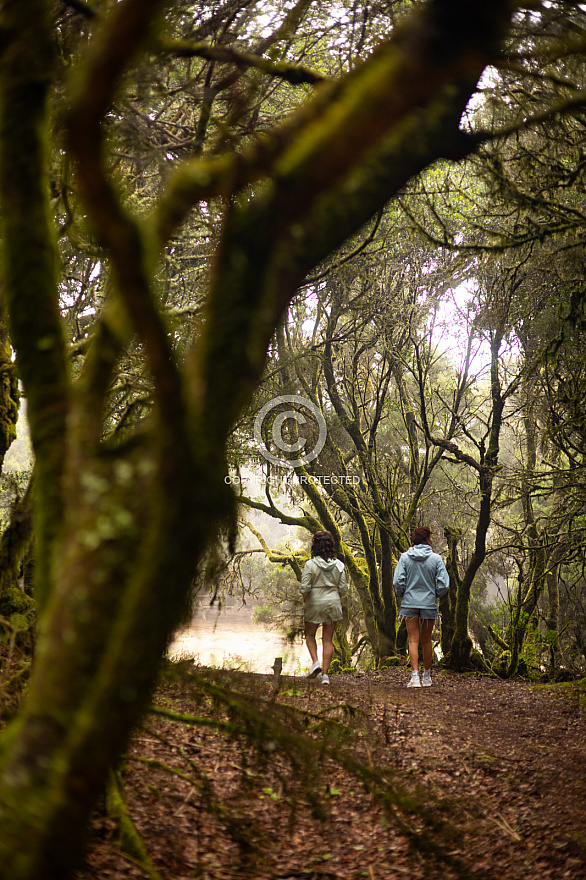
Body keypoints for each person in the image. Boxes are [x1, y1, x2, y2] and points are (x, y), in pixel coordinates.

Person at [393, 526, 449, 688]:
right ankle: (427, 677)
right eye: (431, 536)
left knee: (412, 640)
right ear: (426, 539)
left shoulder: (404, 558)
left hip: (409, 603)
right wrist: (435, 594)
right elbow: (444, 584)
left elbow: (397, 582)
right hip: (428, 604)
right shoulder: (436, 559)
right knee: (426, 640)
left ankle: (414, 677)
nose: (432, 539)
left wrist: (402, 593)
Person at [299, 530, 347, 685]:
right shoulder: (339, 565)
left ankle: (315, 663)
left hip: (314, 602)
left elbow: (304, 588)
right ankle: (325, 676)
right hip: (333, 603)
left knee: (310, 634)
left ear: (315, 546)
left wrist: (306, 600)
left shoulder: (310, 564)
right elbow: (343, 589)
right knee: (328, 640)